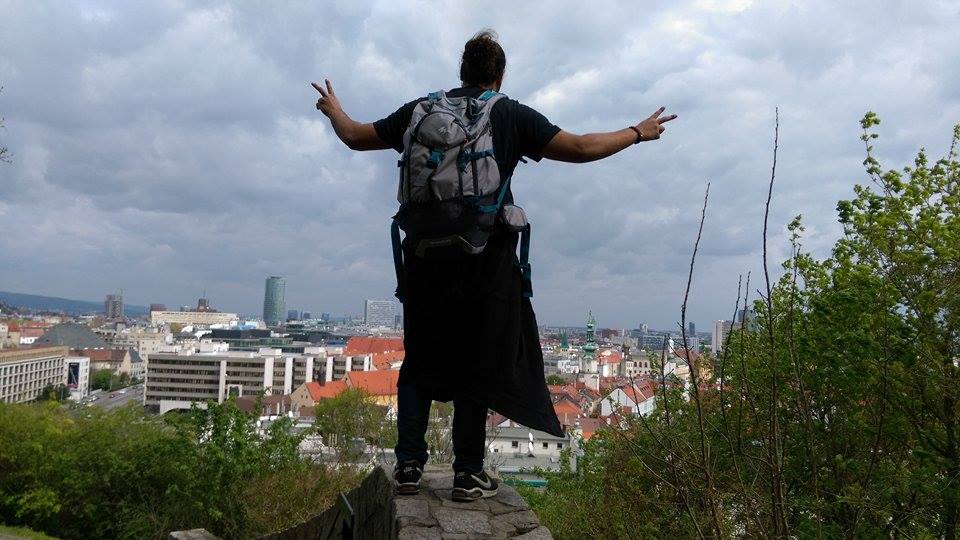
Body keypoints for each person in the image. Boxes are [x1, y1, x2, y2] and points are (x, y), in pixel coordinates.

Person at [312, 30, 676, 502]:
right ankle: (467, 474)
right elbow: (582, 148)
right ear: (499, 76)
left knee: (419, 360)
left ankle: (408, 466)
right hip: (485, 263)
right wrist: (637, 132)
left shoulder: (420, 112)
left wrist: (333, 109)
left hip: (423, 259)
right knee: (477, 362)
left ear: (461, 71)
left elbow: (354, 136)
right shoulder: (508, 115)